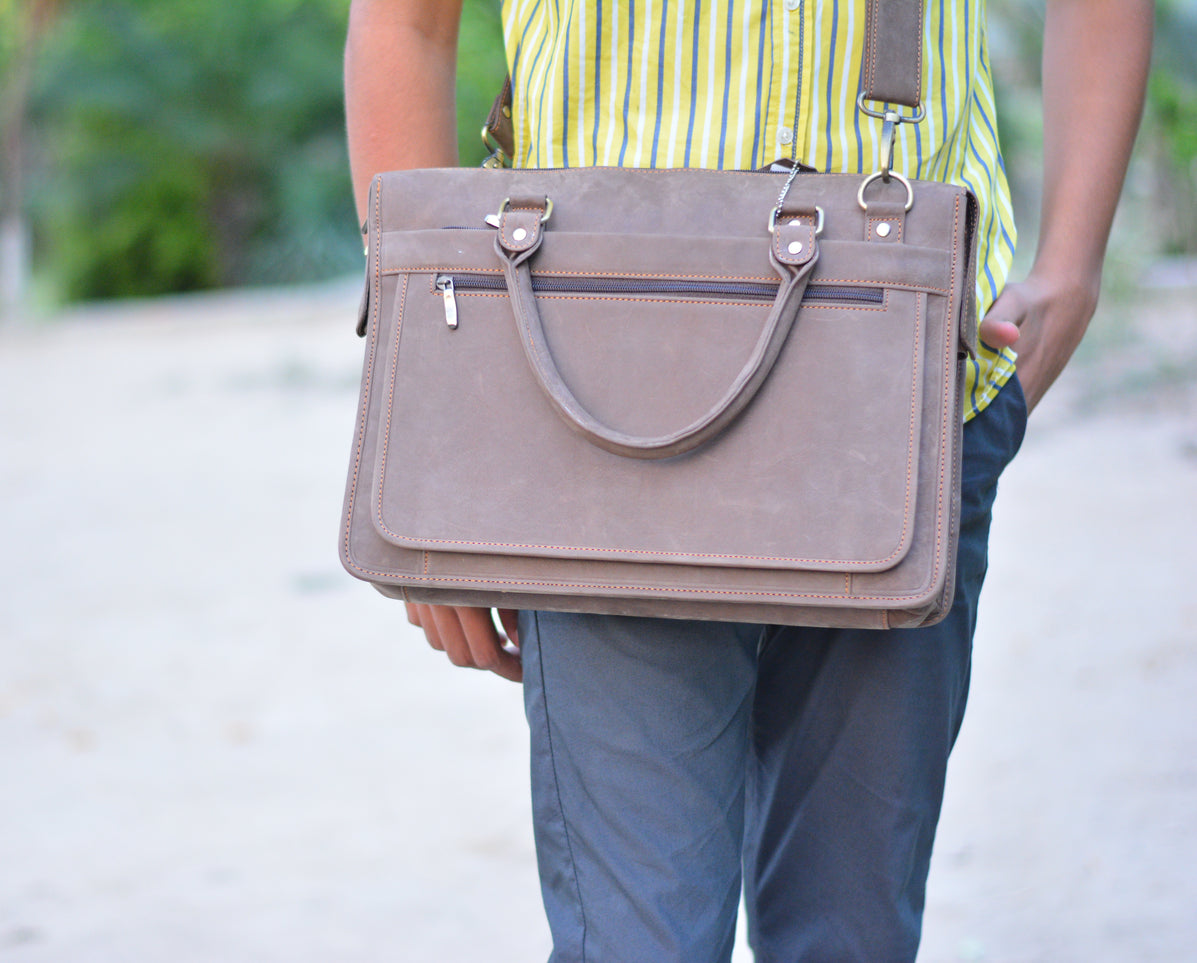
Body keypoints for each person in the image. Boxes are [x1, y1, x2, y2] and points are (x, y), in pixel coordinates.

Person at [344, 0, 1151, 959]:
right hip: (585, 409)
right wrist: (436, 465)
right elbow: (405, 24)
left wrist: (1073, 269)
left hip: (906, 394)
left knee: (850, 938)